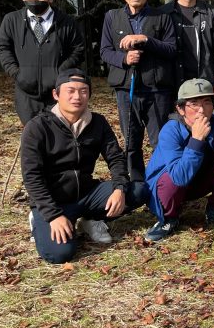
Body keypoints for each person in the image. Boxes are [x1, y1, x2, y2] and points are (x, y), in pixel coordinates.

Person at [21, 69, 148, 264]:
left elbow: (115, 158)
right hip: (54, 202)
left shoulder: (97, 122)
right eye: (70, 91)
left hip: (86, 194)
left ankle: (90, 221)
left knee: (139, 190)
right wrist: (53, 215)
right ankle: (39, 221)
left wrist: (119, 188)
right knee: (59, 254)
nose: (77, 97)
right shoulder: (38, 127)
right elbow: (32, 176)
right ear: (56, 94)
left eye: (83, 91)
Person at [144, 79, 214, 241]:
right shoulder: (170, 130)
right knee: (170, 181)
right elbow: (179, 177)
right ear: (180, 109)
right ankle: (169, 218)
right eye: (193, 104)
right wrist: (196, 140)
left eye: (207, 102)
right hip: (168, 186)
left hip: (198, 179)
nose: (201, 110)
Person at [100, 0, 176, 182]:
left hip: (157, 89)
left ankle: (161, 181)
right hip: (126, 88)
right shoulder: (112, 17)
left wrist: (146, 40)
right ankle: (136, 184)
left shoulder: (162, 16)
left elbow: (171, 49)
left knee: (160, 140)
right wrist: (124, 59)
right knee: (131, 139)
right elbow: (105, 51)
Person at [0, 0, 85, 124]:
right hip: (25, 92)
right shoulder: (11, 20)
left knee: (58, 135)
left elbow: (78, 49)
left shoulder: (66, 21)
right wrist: (16, 73)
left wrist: (60, 73)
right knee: (32, 136)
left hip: (57, 92)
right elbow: (2, 48)